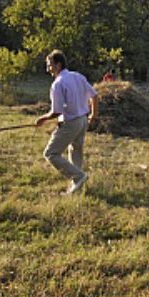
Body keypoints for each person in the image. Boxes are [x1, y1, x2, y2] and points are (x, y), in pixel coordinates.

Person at [35, 50, 99, 195]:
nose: (47, 69)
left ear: (58, 65)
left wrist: (42, 119)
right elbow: (94, 96)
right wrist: (93, 115)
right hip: (83, 120)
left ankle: (78, 176)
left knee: (51, 153)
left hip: (71, 123)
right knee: (75, 151)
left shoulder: (58, 84)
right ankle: (77, 187)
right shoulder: (78, 76)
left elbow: (56, 111)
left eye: (49, 65)